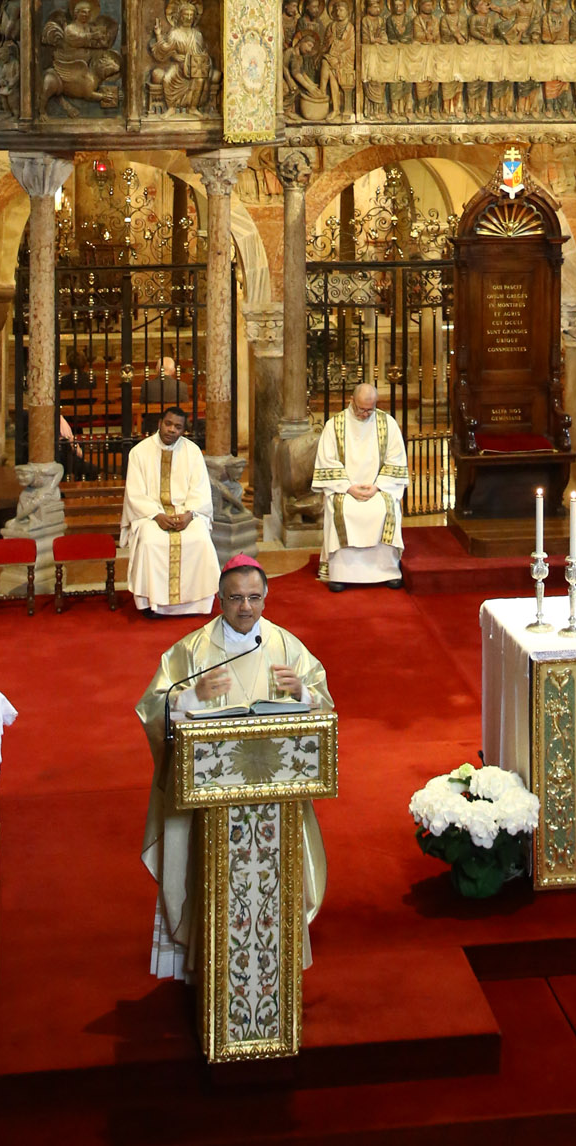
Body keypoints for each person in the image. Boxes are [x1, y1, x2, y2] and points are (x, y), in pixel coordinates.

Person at [135, 556, 329, 981]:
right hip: (212, 804)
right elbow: (153, 707)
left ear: (266, 598)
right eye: (236, 598)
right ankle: (210, 968)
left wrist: (304, 692)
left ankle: (273, 967)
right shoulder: (193, 650)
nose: (246, 608)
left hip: (273, 801)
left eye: (254, 598)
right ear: (220, 600)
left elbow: (324, 708)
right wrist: (190, 696)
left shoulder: (285, 646)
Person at [121, 404, 219, 618]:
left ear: (184, 430)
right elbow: (135, 493)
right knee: (150, 542)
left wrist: (189, 515)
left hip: (185, 513)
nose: (171, 430)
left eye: (178, 427)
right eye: (168, 424)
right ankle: (152, 603)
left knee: (200, 539)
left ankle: (196, 603)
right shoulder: (139, 452)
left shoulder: (192, 452)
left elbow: (201, 490)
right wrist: (156, 515)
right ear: (160, 423)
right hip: (151, 514)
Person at [311, 381, 409, 588]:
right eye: (361, 409)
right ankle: (341, 573)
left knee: (384, 506)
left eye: (369, 410)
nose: (365, 414)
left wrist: (378, 486)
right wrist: (348, 487)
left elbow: (396, 460)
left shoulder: (388, 424)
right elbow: (327, 460)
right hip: (345, 490)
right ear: (351, 401)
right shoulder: (334, 425)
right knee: (344, 508)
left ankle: (387, 571)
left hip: (377, 488)